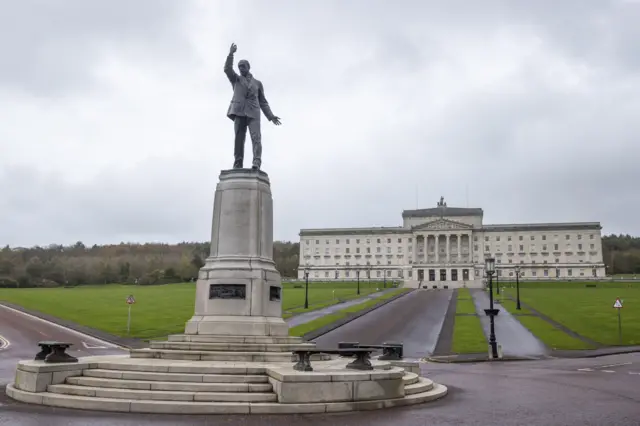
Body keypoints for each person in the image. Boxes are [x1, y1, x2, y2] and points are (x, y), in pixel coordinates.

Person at [224, 43, 282, 170]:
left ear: (248, 67)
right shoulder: (236, 79)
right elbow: (227, 69)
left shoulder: (257, 83)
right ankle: (238, 163)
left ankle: (256, 162)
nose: (241, 68)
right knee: (239, 139)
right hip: (239, 111)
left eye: (243, 66)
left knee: (256, 138)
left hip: (254, 112)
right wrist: (231, 54)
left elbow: (263, 102)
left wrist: (271, 116)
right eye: (239, 67)